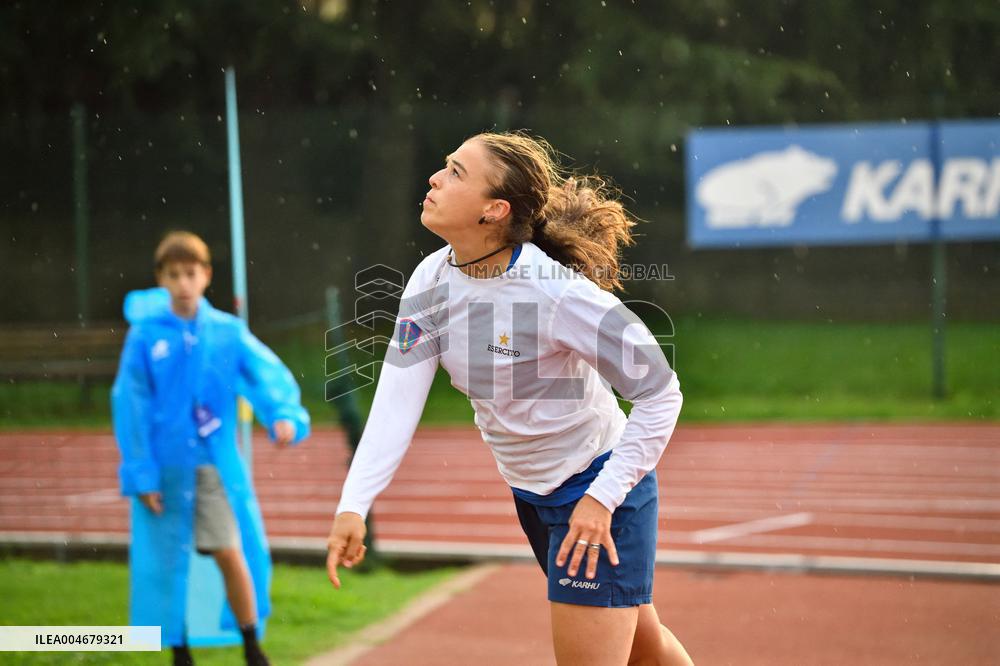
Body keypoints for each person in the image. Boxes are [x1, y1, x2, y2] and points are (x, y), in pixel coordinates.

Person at [326, 131, 693, 665]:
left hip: (597, 488)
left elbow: (661, 393)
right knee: (646, 650)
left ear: (494, 210)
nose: (435, 178)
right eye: (445, 165)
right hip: (532, 494)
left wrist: (602, 498)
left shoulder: (555, 291)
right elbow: (396, 401)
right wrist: (353, 504)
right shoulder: (431, 279)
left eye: (456, 172)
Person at [112, 231, 311, 666]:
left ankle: (251, 644)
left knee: (229, 551)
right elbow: (131, 404)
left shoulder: (226, 332)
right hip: (164, 469)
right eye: (173, 275)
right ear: (161, 279)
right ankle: (179, 650)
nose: (183, 283)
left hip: (211, 467)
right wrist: (141, 473)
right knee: (167, 561)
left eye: (191, 273)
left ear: (206, 275)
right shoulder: (145, 336)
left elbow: (265, 373)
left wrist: (282, 415)